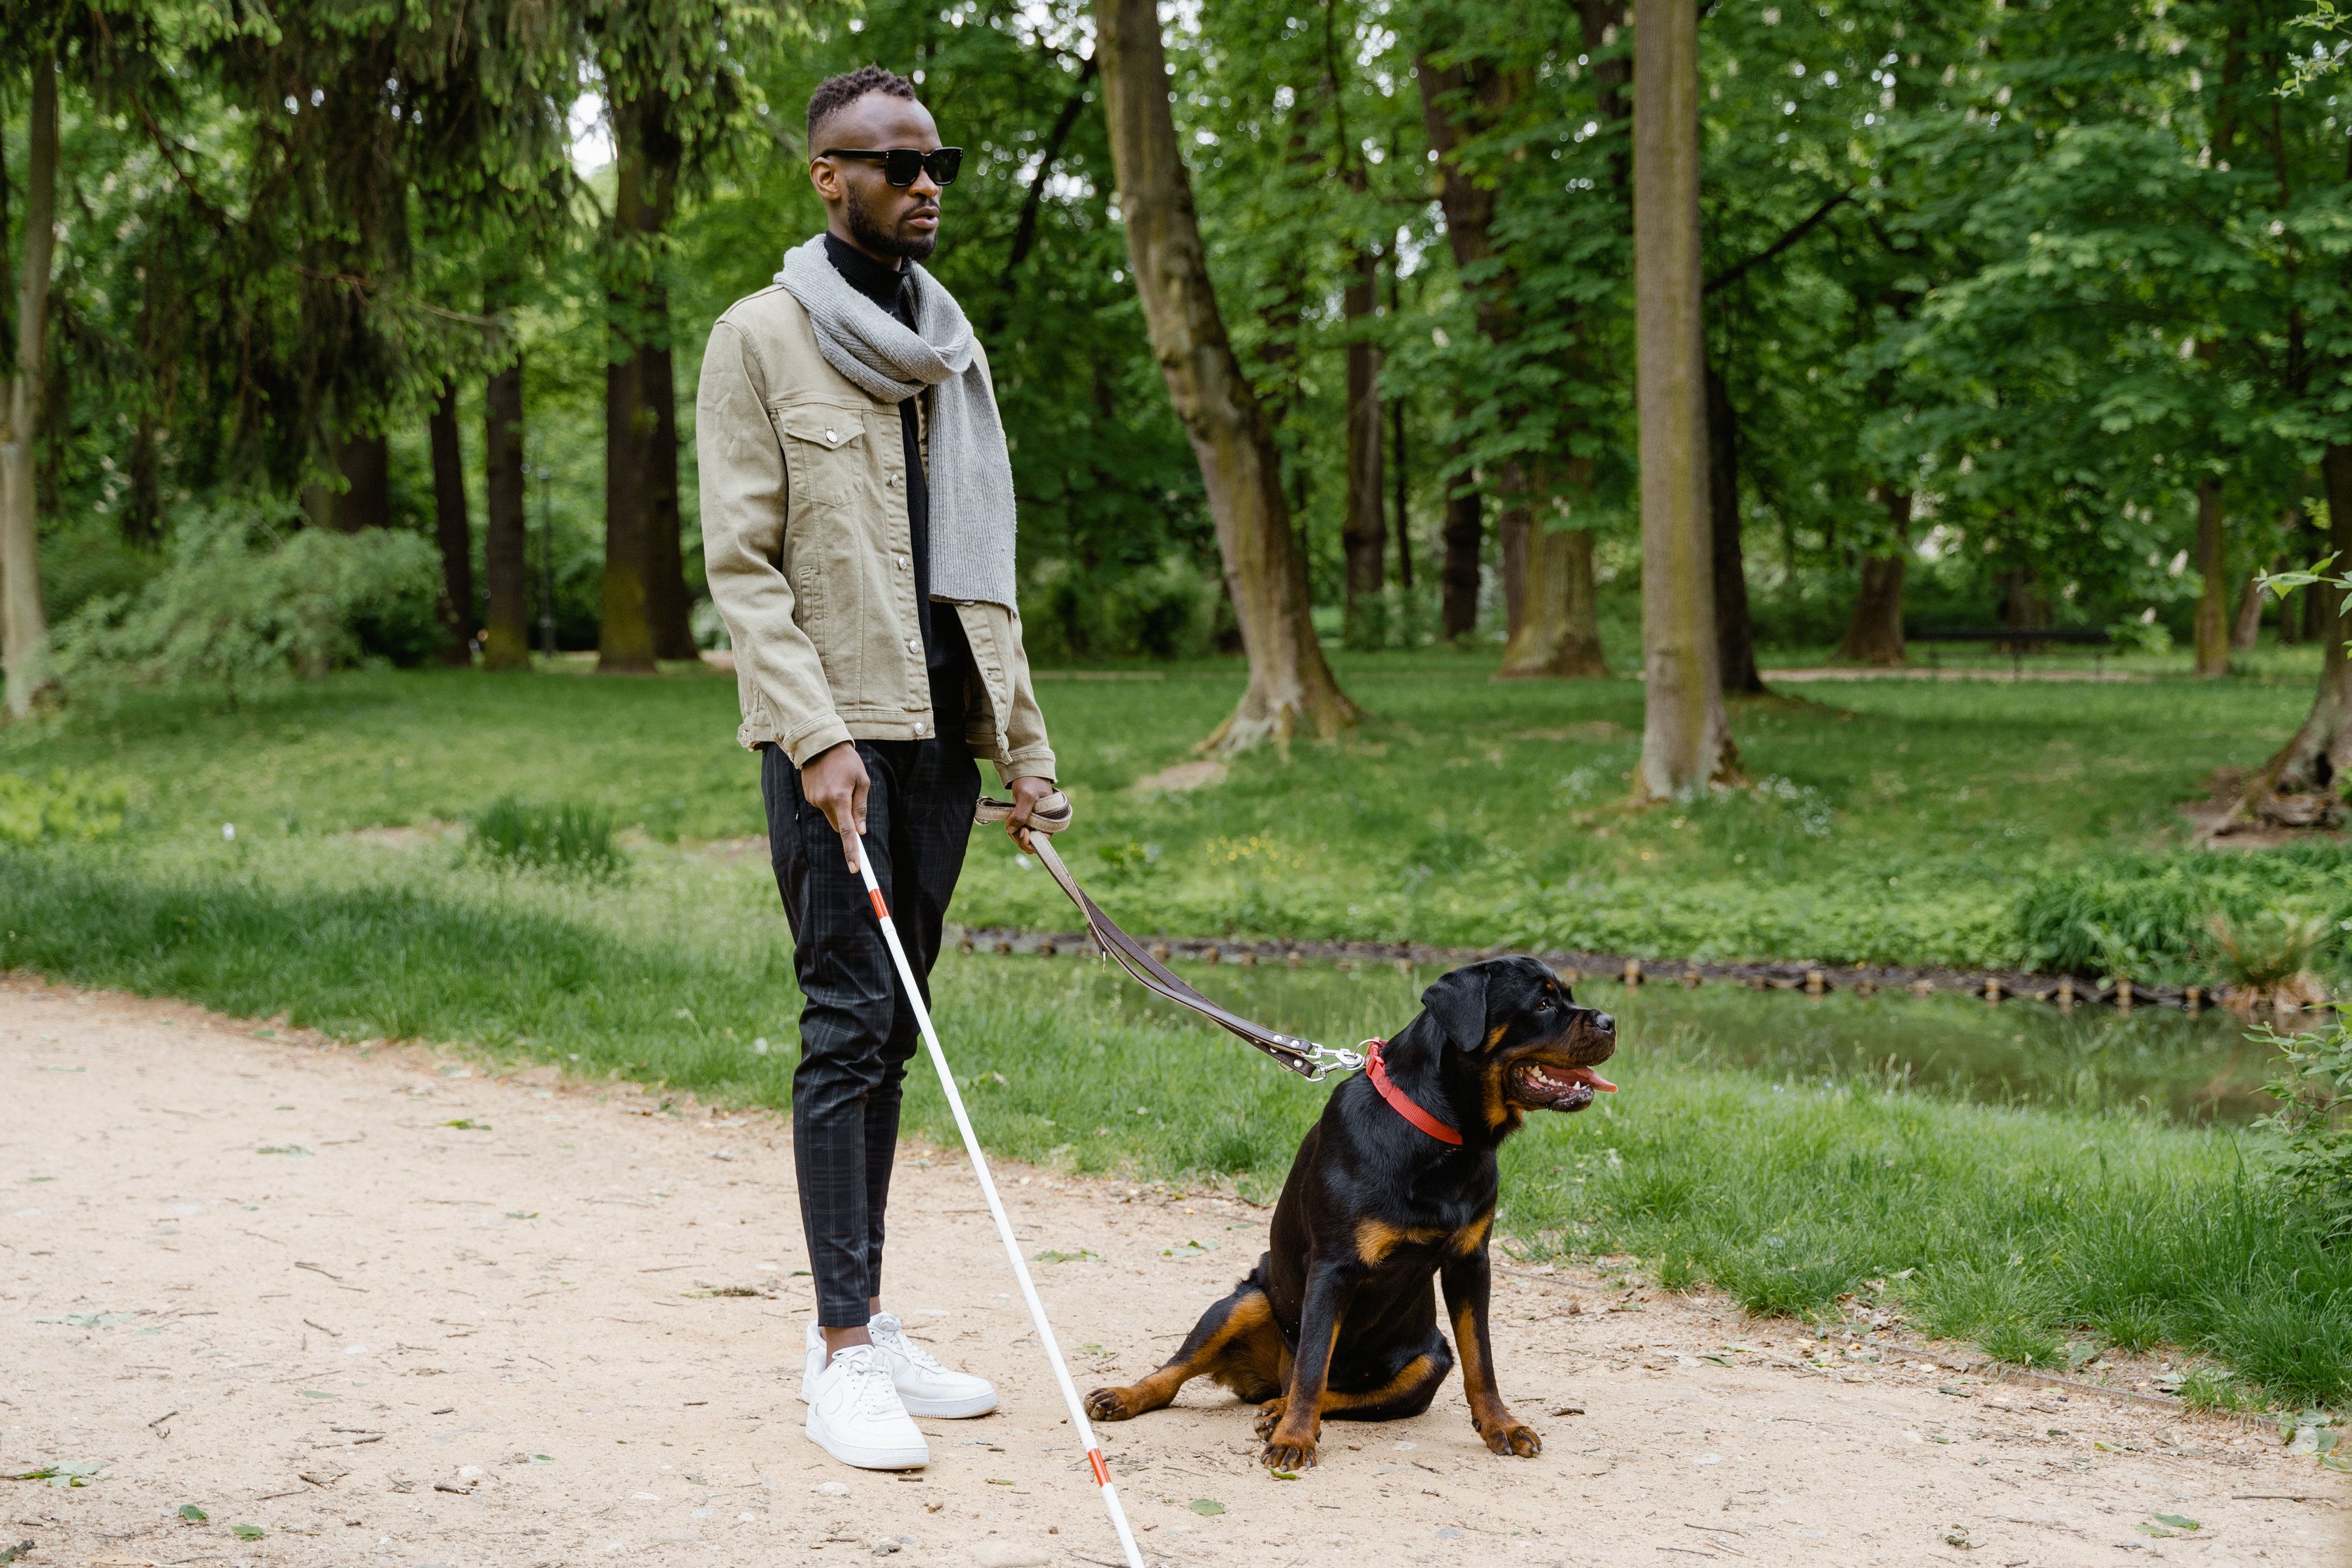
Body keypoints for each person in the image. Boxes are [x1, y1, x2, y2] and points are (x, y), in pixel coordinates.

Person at [696, 64, 1061, 1472]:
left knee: (900, 1028)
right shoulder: (760, 341)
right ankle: (841, 1356)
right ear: (824, 178)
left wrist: (1023, 755)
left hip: (939, 749)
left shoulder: (949, 351)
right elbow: (744, 567)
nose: (926, 185)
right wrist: (816, 735)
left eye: (939, 163)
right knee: (849, 1025)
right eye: (894, 162)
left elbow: (985, 580)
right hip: (833, 745)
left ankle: (870, 1316)